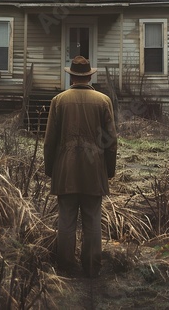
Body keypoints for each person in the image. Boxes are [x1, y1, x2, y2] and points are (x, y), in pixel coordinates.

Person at [44, 55, 118, 277]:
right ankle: (92, 267)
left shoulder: (58, 101)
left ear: (72, 76)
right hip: (94, 170)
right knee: (92, 219)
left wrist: (51, 170)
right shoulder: (104, 101)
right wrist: (109, 170)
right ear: (89, 76)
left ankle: (65, 266)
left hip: (66, 170)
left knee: (66, 220)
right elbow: (111, 140)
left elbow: (49, 141)